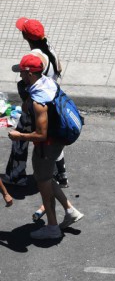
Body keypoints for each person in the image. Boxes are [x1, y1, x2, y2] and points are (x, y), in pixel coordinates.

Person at [8, 53, 83, 241]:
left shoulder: (39, 101)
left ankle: (52, 227)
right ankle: (69, 210)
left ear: (30, 74)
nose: (20, 76)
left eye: (23, 73)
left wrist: (19, 136)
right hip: (55, 142)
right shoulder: (47, 83)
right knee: (46, 178)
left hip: (47, 147)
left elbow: (41, 134)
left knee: (43, 183)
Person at [7, 19, 68, 191]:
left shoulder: (34, 57)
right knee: (53, 138)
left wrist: (27, 101)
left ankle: (16, 176)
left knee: (19, 139)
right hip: (53, 101)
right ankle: (61, 175)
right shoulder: (50, 48)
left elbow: (29, 80)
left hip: (37, 105)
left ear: (26, 36)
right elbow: (59, 68)